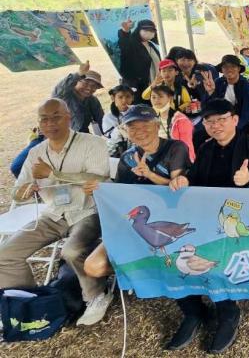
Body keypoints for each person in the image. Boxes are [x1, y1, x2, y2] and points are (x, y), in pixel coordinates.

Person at [167, 99, 249, 353]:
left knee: (214, 256)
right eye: (209, 121)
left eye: (221, 119)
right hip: (206, 218)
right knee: (172, 254)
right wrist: (184, 180)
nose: (216, 126)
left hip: (242, 221)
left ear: (235, 120)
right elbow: (195, 177)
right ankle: (193, 311)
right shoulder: (206, 149)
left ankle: (227, 312)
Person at [1, 98, 111, 326]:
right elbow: (16, 193)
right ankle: (32, 301)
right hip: (52, 215)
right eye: (44, 119)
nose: (50, 123)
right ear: (39, 123)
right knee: (6, 254)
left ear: (69, 117)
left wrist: (54, 175)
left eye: (56, 117)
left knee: (71, 251)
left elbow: (99, 179)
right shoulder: (36, 152)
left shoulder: (92, 143)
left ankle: (96, 295)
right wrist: (24, 191)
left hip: (87, 212)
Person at [83, 104, 191, 279]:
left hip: (169, 221)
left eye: (145, 125)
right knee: (93, 266)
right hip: (135, 226)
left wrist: (150, 174)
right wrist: (98, 190)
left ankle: (152, 268)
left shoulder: (176, 148)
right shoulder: (127, 157)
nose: (139, 131)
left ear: (157, 125)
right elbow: (119, 195)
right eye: (132, 127)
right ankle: (145, 268)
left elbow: (179, 190)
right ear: (126, 130)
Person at [201, 55, 249, 132]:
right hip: (219, 121)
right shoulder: (217, 83)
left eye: (233, 66)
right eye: (225, 67)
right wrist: (210, 92)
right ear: (222, 70)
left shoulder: (247, 88)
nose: (229, 69)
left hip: (241, 126)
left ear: (239, 69)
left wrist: (231, 131)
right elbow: (206, 107)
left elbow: (247, 115)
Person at [52, 61, 104, 133]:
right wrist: (78, 74)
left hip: (82, 135)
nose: (89, 88)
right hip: (60, 134)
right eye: (85, 83)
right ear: (76, 81)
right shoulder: (64, 95)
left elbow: (101, 120)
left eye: (94, 86)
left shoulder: (93, 101)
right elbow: (61, 88)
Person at [118, 19, 161, 103]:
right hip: (138, 86)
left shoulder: (151, 44)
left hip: (154, 85)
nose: (149, 32)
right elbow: (124, 45)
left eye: (152, 30)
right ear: (139, 30)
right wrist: (125, 31)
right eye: (146, 30)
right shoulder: (132, 43)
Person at [149, 85, 196, 162]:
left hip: (176, 161)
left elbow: (186, 147)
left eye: (160, 96)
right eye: (153, 97)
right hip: (158, 160)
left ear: (170, 98)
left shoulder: (181, 120)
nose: (156, 100)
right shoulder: (152, 119)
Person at [102, 84, 134, 157]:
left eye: (128, 97)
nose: (124, 100)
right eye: (120, 97)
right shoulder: (108, 117)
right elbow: (111, 137)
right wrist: (120, 129)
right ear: (113, 98)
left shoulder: (138, 111)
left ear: (132, 98)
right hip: (118, 151)